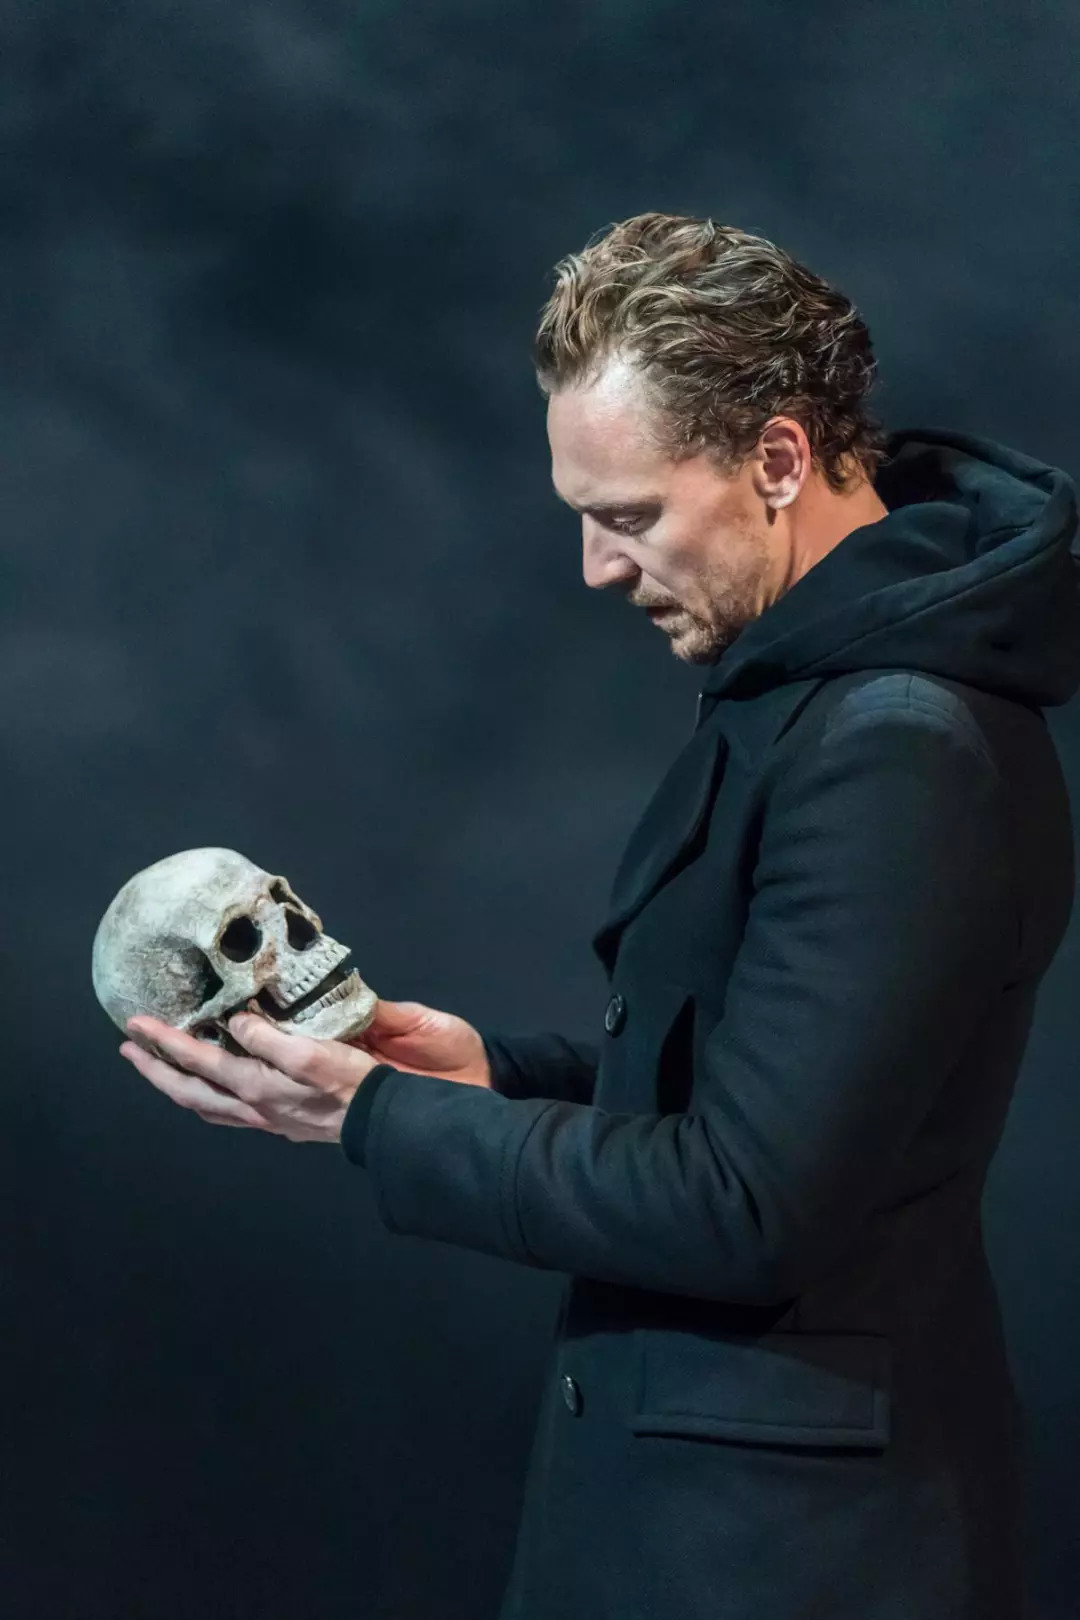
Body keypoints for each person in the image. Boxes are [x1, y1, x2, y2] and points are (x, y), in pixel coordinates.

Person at [121, 212, 1080, 1620]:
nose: (597, 568)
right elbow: (750, 1102)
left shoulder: (895, 745)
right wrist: (488, 1074)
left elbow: (746, 1209)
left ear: (778, 461)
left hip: (788, 1562)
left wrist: (375, 1119)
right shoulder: (817, 695)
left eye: (629, 517)